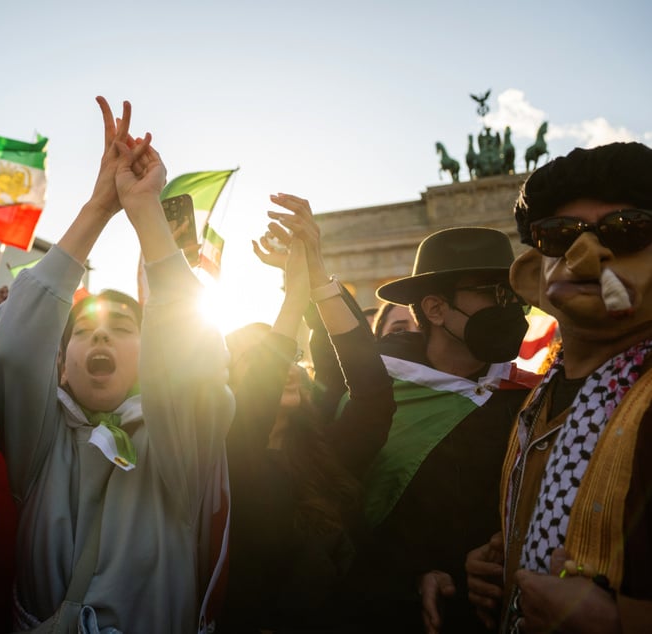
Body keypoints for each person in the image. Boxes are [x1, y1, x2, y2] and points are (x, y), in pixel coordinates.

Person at [0, 97, 233, 632]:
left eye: (124, 328)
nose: (101, 332)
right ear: (62, 365)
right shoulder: (39, 440)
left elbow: (195, 364)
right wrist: (99, 206)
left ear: (152, 360)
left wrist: (145, 211)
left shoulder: (180, 446)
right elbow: (11, 348)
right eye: (84, 330)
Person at [467, 142, 652, 634]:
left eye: (629, 230)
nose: (589, 253)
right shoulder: (536, 400)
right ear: (533, 279)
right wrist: (505, 558)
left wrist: (619, 624)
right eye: (561, 236)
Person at [218, 193, 395, 632]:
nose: (288, 368)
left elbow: (373, 394)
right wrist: (294, 294)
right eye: (257, 361)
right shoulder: (221, 463)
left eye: (290, 356)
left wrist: (317, 277)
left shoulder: (325, 452)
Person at [348, 227, 537, 633]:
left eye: (514, 295)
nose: (510, 308)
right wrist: (411, 577)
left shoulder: (532, 399)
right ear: (435, 309)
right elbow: (341, 522)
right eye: (493, 292)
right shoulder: (373, 397)